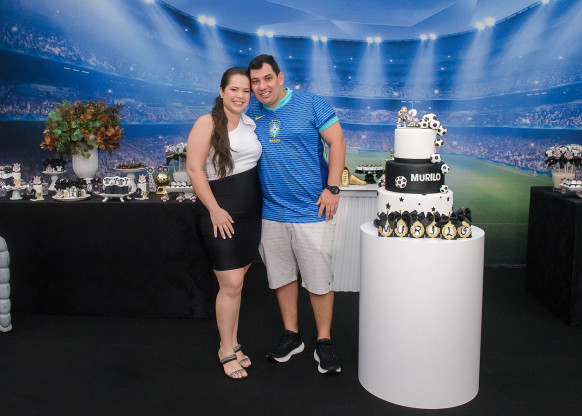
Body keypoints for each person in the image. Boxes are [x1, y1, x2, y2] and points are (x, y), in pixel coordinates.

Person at [246, 54, 346, 374]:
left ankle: (324, 341)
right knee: (282, 277)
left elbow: (337, 141)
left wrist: (332, 189)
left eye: (267, 79)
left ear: (280, 77)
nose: (262, 86)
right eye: (255, 82)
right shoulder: (250, 114)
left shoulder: (311, 104)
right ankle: (292, 335)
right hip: (271, 212)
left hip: (311, 210)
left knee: (318, 281)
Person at [186, 67, 262, 380]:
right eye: (234, 89)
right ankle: (225, 349)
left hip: (250, 214)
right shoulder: (206, 123)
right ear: (221, 91)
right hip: (219, 212)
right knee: (230, 284)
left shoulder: (250, 124)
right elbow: (194, 169)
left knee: (237, 283)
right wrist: (215, 210)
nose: (240, 95)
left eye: (246, 90)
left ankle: (232, 341)